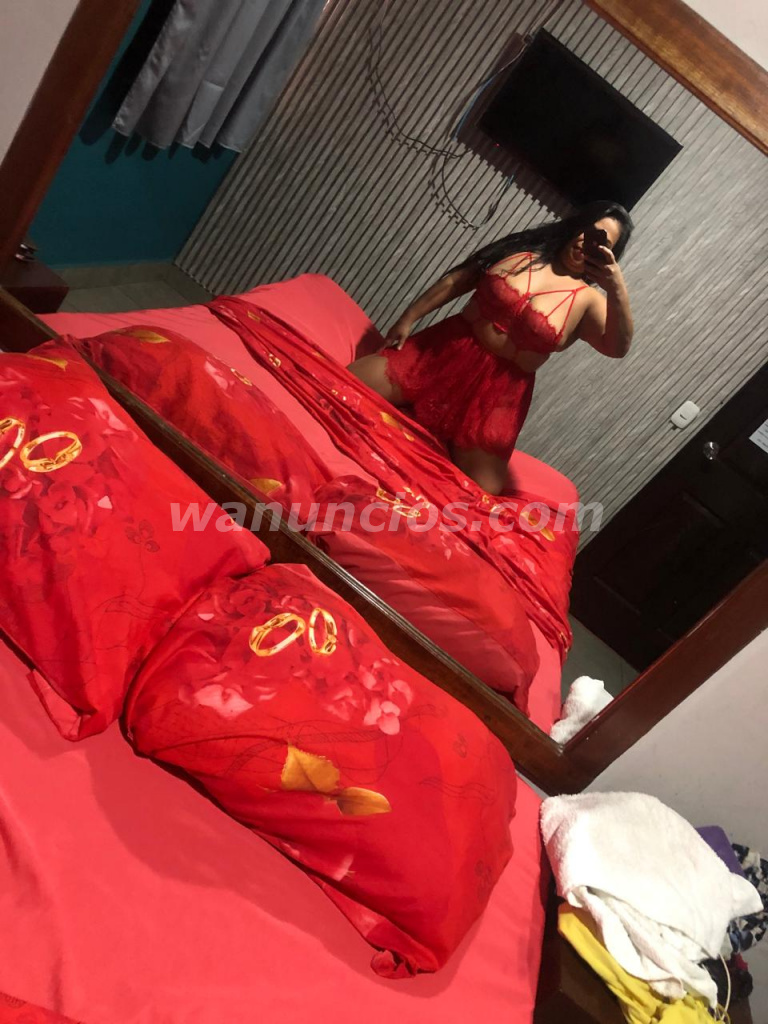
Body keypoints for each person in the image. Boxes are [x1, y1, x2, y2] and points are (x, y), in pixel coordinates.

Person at [348, 200, 634, 494]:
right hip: (441, 353)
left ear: (609, 256)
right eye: (588, 230)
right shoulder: (523, 253)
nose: (587, 242)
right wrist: (408, 318)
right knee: (345, 386)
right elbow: (458, 280)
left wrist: (616, 287)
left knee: (479, 493)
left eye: (602, 242)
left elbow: (617, 347)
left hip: (498, 396)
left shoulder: (590, 302)